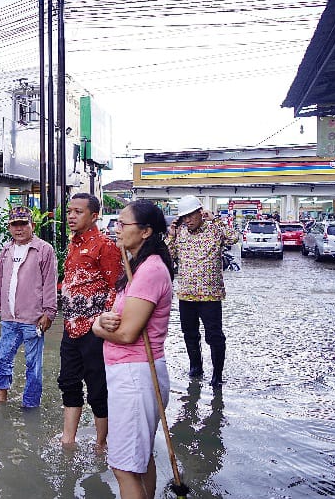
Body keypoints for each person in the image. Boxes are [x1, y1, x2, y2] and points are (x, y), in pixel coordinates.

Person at [93, 200, 174, 499]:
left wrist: (96, 328)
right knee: (139, 461)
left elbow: (127, 334)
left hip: (135, 378)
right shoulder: (138, 266)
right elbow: (121, 320)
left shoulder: (151, 270)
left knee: (124, 467)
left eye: (123, 224)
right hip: (132, 376)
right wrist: (103, 320)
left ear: (145, 231)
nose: (116, 229)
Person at [58, 193, 122, 446]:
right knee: (68, 382)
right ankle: (68, 438)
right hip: (70, 326)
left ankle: (101, 444)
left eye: (78, 212)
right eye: (70, 211)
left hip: (94, 330)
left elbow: (115, 286)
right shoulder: (73, 244)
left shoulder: (105, 245)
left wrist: (104, 322)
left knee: (98, 386)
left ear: (94, 216)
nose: (71, 216)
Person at [0, 206, 57, 408]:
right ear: (9, 227)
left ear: (32, 225)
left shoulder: (44, 249)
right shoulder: (6, 250)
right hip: (9, 318)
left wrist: (49, 313)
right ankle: (1, 397)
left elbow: (49, 283)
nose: (19, 229)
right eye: (14, 225)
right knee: (2, 358)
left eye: (23, 224)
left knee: (33, 365)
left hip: (33, 319)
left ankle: (30, 404)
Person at [166, 194, 238, 387]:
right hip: (186, 296)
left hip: (210, 296)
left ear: (200, 213)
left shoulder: (215, 230)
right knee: (189, 334)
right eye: (184, 217)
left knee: (214, 336)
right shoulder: (179, 233)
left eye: (190, 216)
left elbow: (234, 237)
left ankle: (217, 375)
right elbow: (168, 257)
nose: (187, 220)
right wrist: (171, 235)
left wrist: (215, 219)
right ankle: (196, 367)